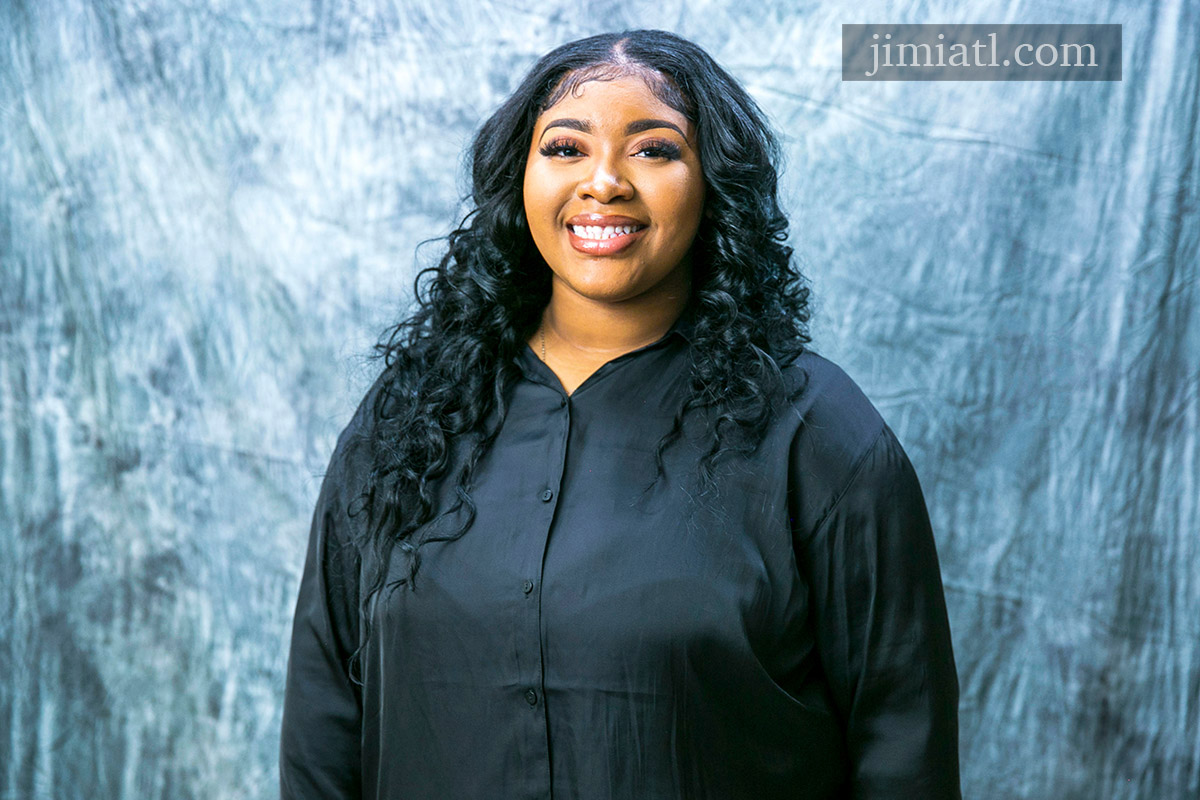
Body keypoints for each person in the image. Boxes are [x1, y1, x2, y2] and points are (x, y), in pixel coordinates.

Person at [279, 28, 961, 800]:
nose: (603, 181)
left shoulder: (817, 434)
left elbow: (904, 745)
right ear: (520, 177)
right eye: (565, 147)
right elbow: (325, 715)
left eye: (654, 150)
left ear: (714, 185)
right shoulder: (409, 419)